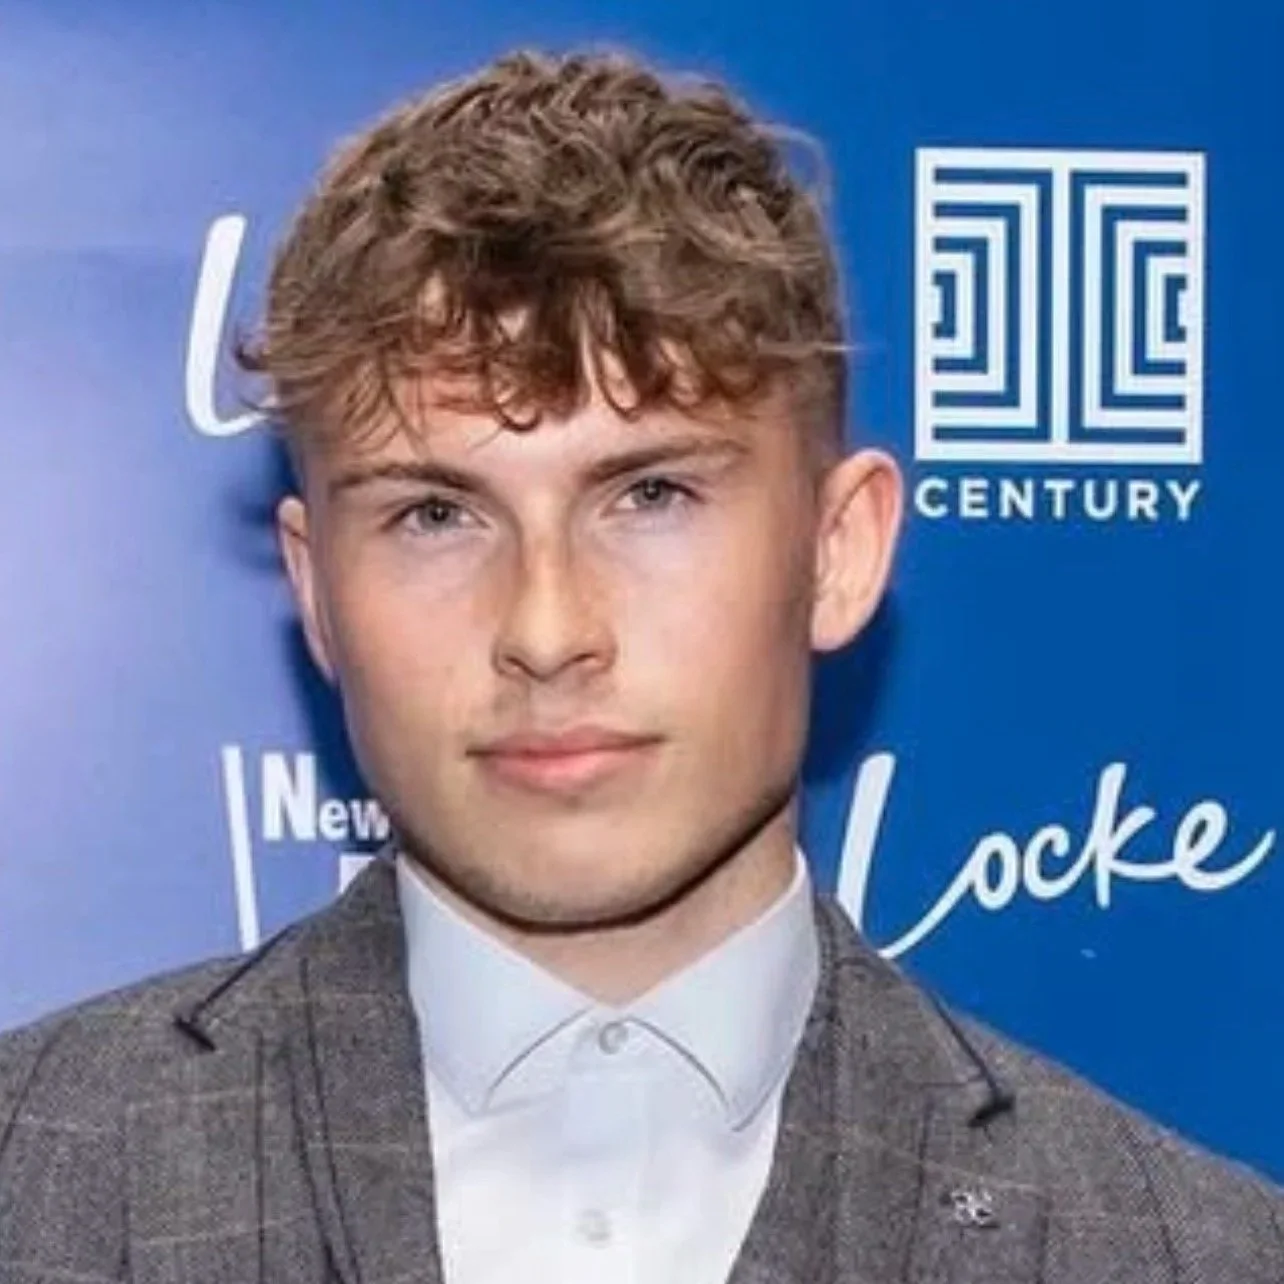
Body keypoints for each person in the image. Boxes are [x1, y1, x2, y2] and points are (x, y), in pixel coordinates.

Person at [1, 47, 1280, 1284]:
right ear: (314, 587)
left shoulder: (1194, 1252)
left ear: (838, 551)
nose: (547, 629)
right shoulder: (30, 1180)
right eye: (436, 515)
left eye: (651, 494)